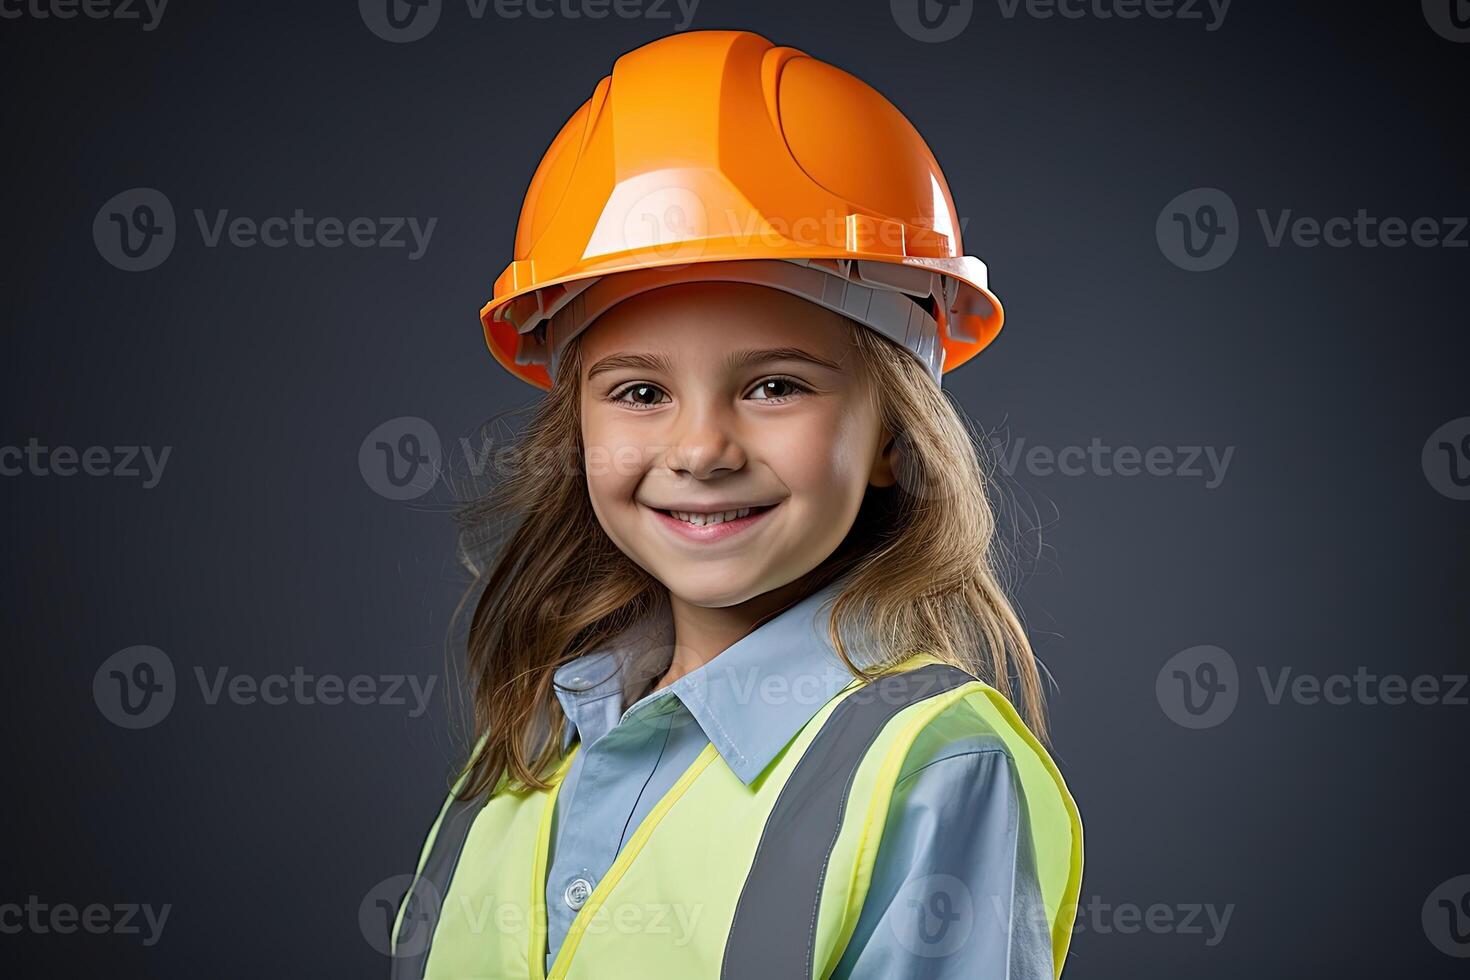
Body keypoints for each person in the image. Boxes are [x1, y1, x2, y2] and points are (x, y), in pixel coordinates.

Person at [391, 29, 1083, 980]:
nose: (701, 450)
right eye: (639, 392)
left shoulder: (927, 770)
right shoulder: (527, 752)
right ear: (578, 430)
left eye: (775, 388)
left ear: (892, 434)